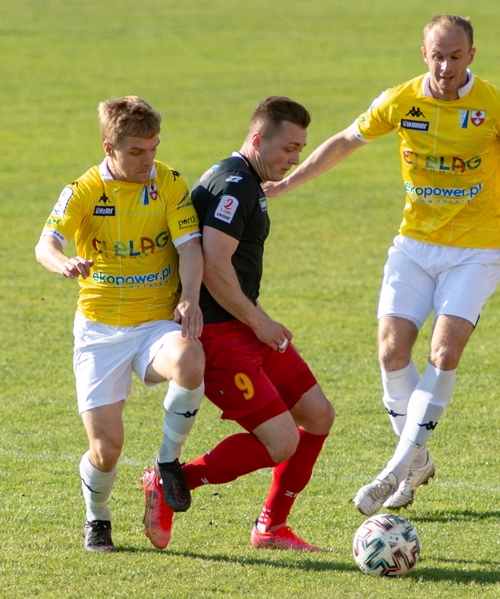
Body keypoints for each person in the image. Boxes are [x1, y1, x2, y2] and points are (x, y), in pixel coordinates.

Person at [264, 15, 500, 516]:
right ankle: (418, 460)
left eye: (456, 56)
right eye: (437, 54)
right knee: (391, 352)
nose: (445, 65)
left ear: (471, 56)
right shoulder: (401, 100)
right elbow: (347, 139)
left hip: (476, 250)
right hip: (414, 245)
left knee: (443, 349)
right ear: (423, 52)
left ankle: (395, 470)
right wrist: (286, 183)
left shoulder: (498, 106)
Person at [142, 96, 334, 552]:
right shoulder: (236, 184)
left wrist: (256, 322)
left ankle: (270, 528)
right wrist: (261, 322)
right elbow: (213, 265)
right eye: (287, 148)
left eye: (300, 149)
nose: (294, 159)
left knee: (318, 415)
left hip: (244, 325)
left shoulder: (245, 179)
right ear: (256, 140)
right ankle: (170, 480)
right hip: (220, 334)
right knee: (282, 440)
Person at [35, 96, 206, 552]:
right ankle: (98, 517)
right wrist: (64, 263)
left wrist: (189, 297)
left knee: (190, 357)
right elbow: (45, 243)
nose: (148, 160)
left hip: (154, 324)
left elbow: (190, 246)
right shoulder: (85, 190)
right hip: (100, 331)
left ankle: (167, 464)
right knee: (107, 449)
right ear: (108, 147)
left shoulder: (168, 182)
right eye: (136, 152)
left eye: (153, 148)